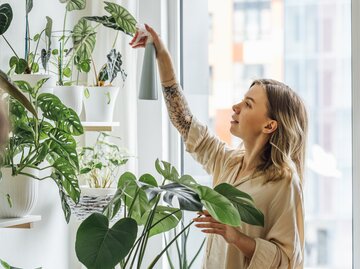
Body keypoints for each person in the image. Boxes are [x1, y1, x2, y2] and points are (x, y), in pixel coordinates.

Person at [131, 24, 307, 269]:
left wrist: (236, 237)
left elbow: (287, 261)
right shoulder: (228, 162)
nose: (236, 107)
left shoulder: (284, 182)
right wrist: (161, 53)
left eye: (247, 104)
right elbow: (184, 121)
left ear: (269, 125)